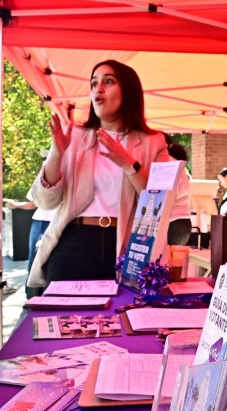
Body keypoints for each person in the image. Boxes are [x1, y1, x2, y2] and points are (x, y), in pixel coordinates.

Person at [28, 60, 169, 290]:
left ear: (128, 91)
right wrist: (57, 154)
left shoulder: (153, 142)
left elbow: (157, 205)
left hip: (126, 247)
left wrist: (128, 163)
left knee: (122, 321)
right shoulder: (74, 136)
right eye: (93, 83)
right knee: (67, 322)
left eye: (108, 81)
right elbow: (45, 201)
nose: (98, 88)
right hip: (74, 242)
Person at [166, 143, 193, 245]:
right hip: (181, 222)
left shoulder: (170, 165)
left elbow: (169, 197)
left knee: (166, 258)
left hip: (173, 222)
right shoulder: (180, 169)